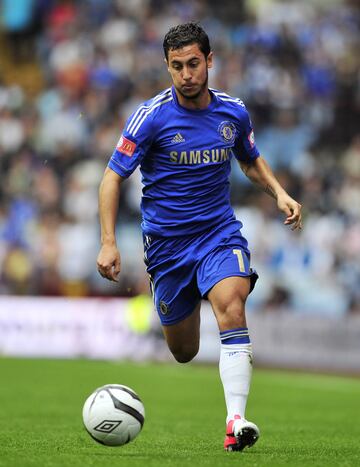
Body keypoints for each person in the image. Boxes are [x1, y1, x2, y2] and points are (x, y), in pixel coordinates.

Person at [97, 22, 302, 452]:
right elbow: (112, 178)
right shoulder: (149, 117)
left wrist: (280, 193)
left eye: (194, 63)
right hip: (168, 248)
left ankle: (236, 421)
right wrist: (109, 241)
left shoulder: (232, 112)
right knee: (185, 351)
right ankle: (176, 312)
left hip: (217, 233)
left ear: (209, 61)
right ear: (167, 66)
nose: (186, 74)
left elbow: (250, 159)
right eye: (177, 66)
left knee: (232, 303)